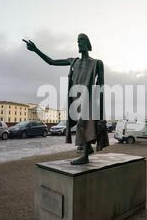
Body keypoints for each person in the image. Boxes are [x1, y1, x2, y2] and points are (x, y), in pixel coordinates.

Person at [23, 34, 109, 165]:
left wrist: (100, 108)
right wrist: (36, 50)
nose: (79, 43)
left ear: (87, 43)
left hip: (90, 99)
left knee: (82, 125)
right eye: (77, 41)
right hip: (76, 99)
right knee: (83, 125)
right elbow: (51, 61)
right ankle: (88, 149)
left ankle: (85, 156)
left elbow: (101, 85)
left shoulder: (97, 63)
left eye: (81, 40)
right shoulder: (73, 61)